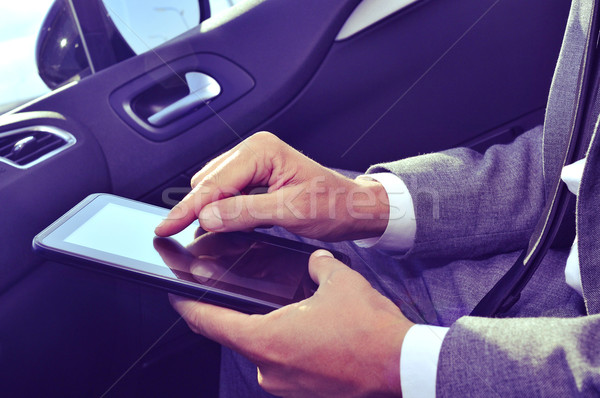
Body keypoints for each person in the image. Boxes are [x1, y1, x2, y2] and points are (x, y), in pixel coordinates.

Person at [154, 0, 600, 396]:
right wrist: (363, 202)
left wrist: (402, 365)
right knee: (265, 248)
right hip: (555, 271)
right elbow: (580, 159)